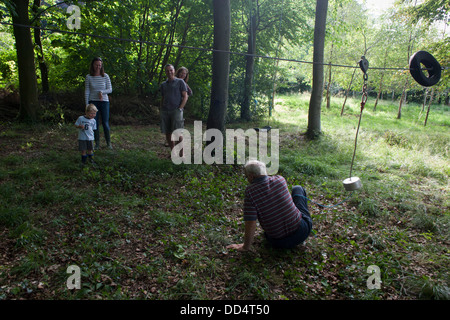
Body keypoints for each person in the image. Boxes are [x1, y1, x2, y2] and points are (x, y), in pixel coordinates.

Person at [227, 160, 313, 251]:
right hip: (303, 232)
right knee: (297, 188)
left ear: (251, 176)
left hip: (278, 242)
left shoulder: (250, 192)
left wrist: (245, 246)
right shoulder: (280, 179)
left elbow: (251, 222)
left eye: (246, 176)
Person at [160, 64, 188, 156]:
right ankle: (173, 153)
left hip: (176, 110)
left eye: (171, 70)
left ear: (174, 70)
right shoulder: (163, 84)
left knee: (177, 133)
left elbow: (185, 96)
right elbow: (163, 97)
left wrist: (180, 108)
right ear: (165, 72)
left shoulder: (180, 82)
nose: (169, 72)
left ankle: (181, 154)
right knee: (168, 132)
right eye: (167, 70)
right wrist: (161, 108)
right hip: (165, 111)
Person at [85, 57, 113, 150]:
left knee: (105, 122)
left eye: (100, 65)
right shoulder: (88, 77)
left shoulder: (105, 76)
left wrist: (102, 92)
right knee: (94, 123)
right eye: (96, 65)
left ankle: (108, 143)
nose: (98, 67)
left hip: (104, 102)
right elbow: (87, 91)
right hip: (93, 102)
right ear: (93, 65)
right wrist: (87, 104)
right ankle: (97, 143)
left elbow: (110, 89)